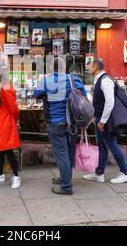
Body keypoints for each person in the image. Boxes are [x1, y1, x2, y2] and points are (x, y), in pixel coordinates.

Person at [34, 56, 86, 195]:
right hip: (73, 123)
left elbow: (36, 94)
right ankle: (65, 179)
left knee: (61, 154)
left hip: (55, 122)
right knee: (69, 153)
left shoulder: (47, 81)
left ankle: (66, 186)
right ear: (65, 68)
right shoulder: (74, 80)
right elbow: (84, 97)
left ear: (51, 68)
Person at [83, 58, 127, 184]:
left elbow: (110, 102)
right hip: (100, 118)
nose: (88, 67)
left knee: (112, 145)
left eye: (90, 65)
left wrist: (102, 121)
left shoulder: (105, 80)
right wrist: (95, 117)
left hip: (107, 120)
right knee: (102, 146)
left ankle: (126, 172)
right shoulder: (99, 79)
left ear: (95, 67)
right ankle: (99, 173)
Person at [0, 69, 21, 189]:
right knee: (0, 149)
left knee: (8, 150)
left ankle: (16, 176)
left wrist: (13, 121)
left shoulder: (6, 89)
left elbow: (14, 109)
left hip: (5, 124)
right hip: (0, 124)